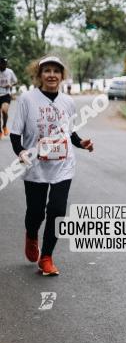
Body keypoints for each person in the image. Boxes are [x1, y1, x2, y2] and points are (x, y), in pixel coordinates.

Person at [9, 56, 94, 276]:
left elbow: (70, 132)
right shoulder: (27, 99)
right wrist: (20, 151)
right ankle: (31, 234)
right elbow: (16, 133)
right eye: (47, 71)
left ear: (62, 76)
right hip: (35, 166)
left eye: (56, 71)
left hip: (63, 165)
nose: (52, 75)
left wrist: (81, 143)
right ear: (39, 75)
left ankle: (46, 257)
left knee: (57, 210)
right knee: (36, 213)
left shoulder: (68, 102)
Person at [0, 56, 18, 138]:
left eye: (5, 64)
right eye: (3, 63)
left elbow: (16, 81)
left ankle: (4, 126)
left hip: (6, 95)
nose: (4, 65)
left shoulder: (10, 72)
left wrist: (10, 85)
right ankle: (0, 131)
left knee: (4, 111)